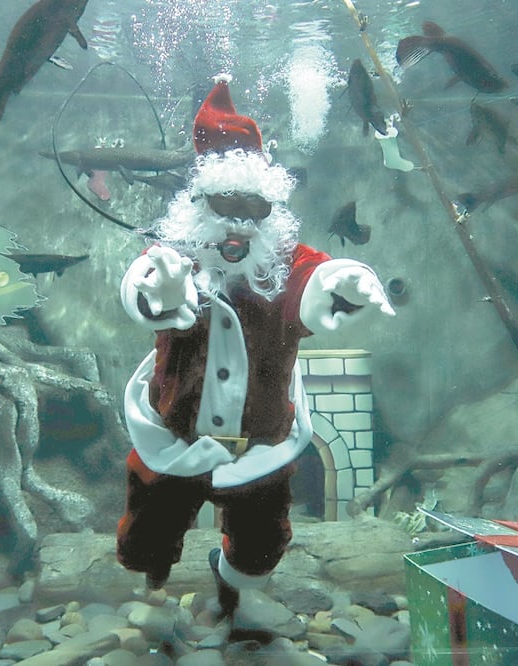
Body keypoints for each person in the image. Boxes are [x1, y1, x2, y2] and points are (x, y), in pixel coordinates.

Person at [115, 74, 395, 617]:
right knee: (148, 532)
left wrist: (342, 281)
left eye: (255, 209)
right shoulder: (175, 257)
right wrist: (156, 295)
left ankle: (234, 587)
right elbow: (145, 284)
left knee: (261, 542)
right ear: (202, 205)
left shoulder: (288, 262)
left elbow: (315, 280)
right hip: (174, 439)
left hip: (262, 446)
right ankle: (151, 595)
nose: (240, 223)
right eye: (227, 205)